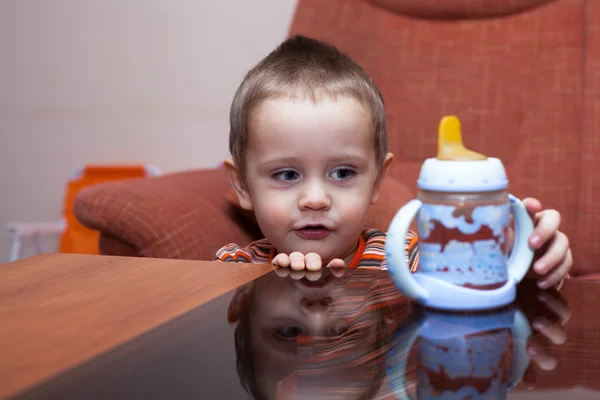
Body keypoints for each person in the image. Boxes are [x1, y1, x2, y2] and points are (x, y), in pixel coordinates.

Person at [215, 34, 572, 289]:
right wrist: (267, 295)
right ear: (243, 185)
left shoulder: (409, 260)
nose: (316, 199)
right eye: (287, 174)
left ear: (376, 181)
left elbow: (477, 298)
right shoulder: (234, 271)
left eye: (342, 172)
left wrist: (526, 266)